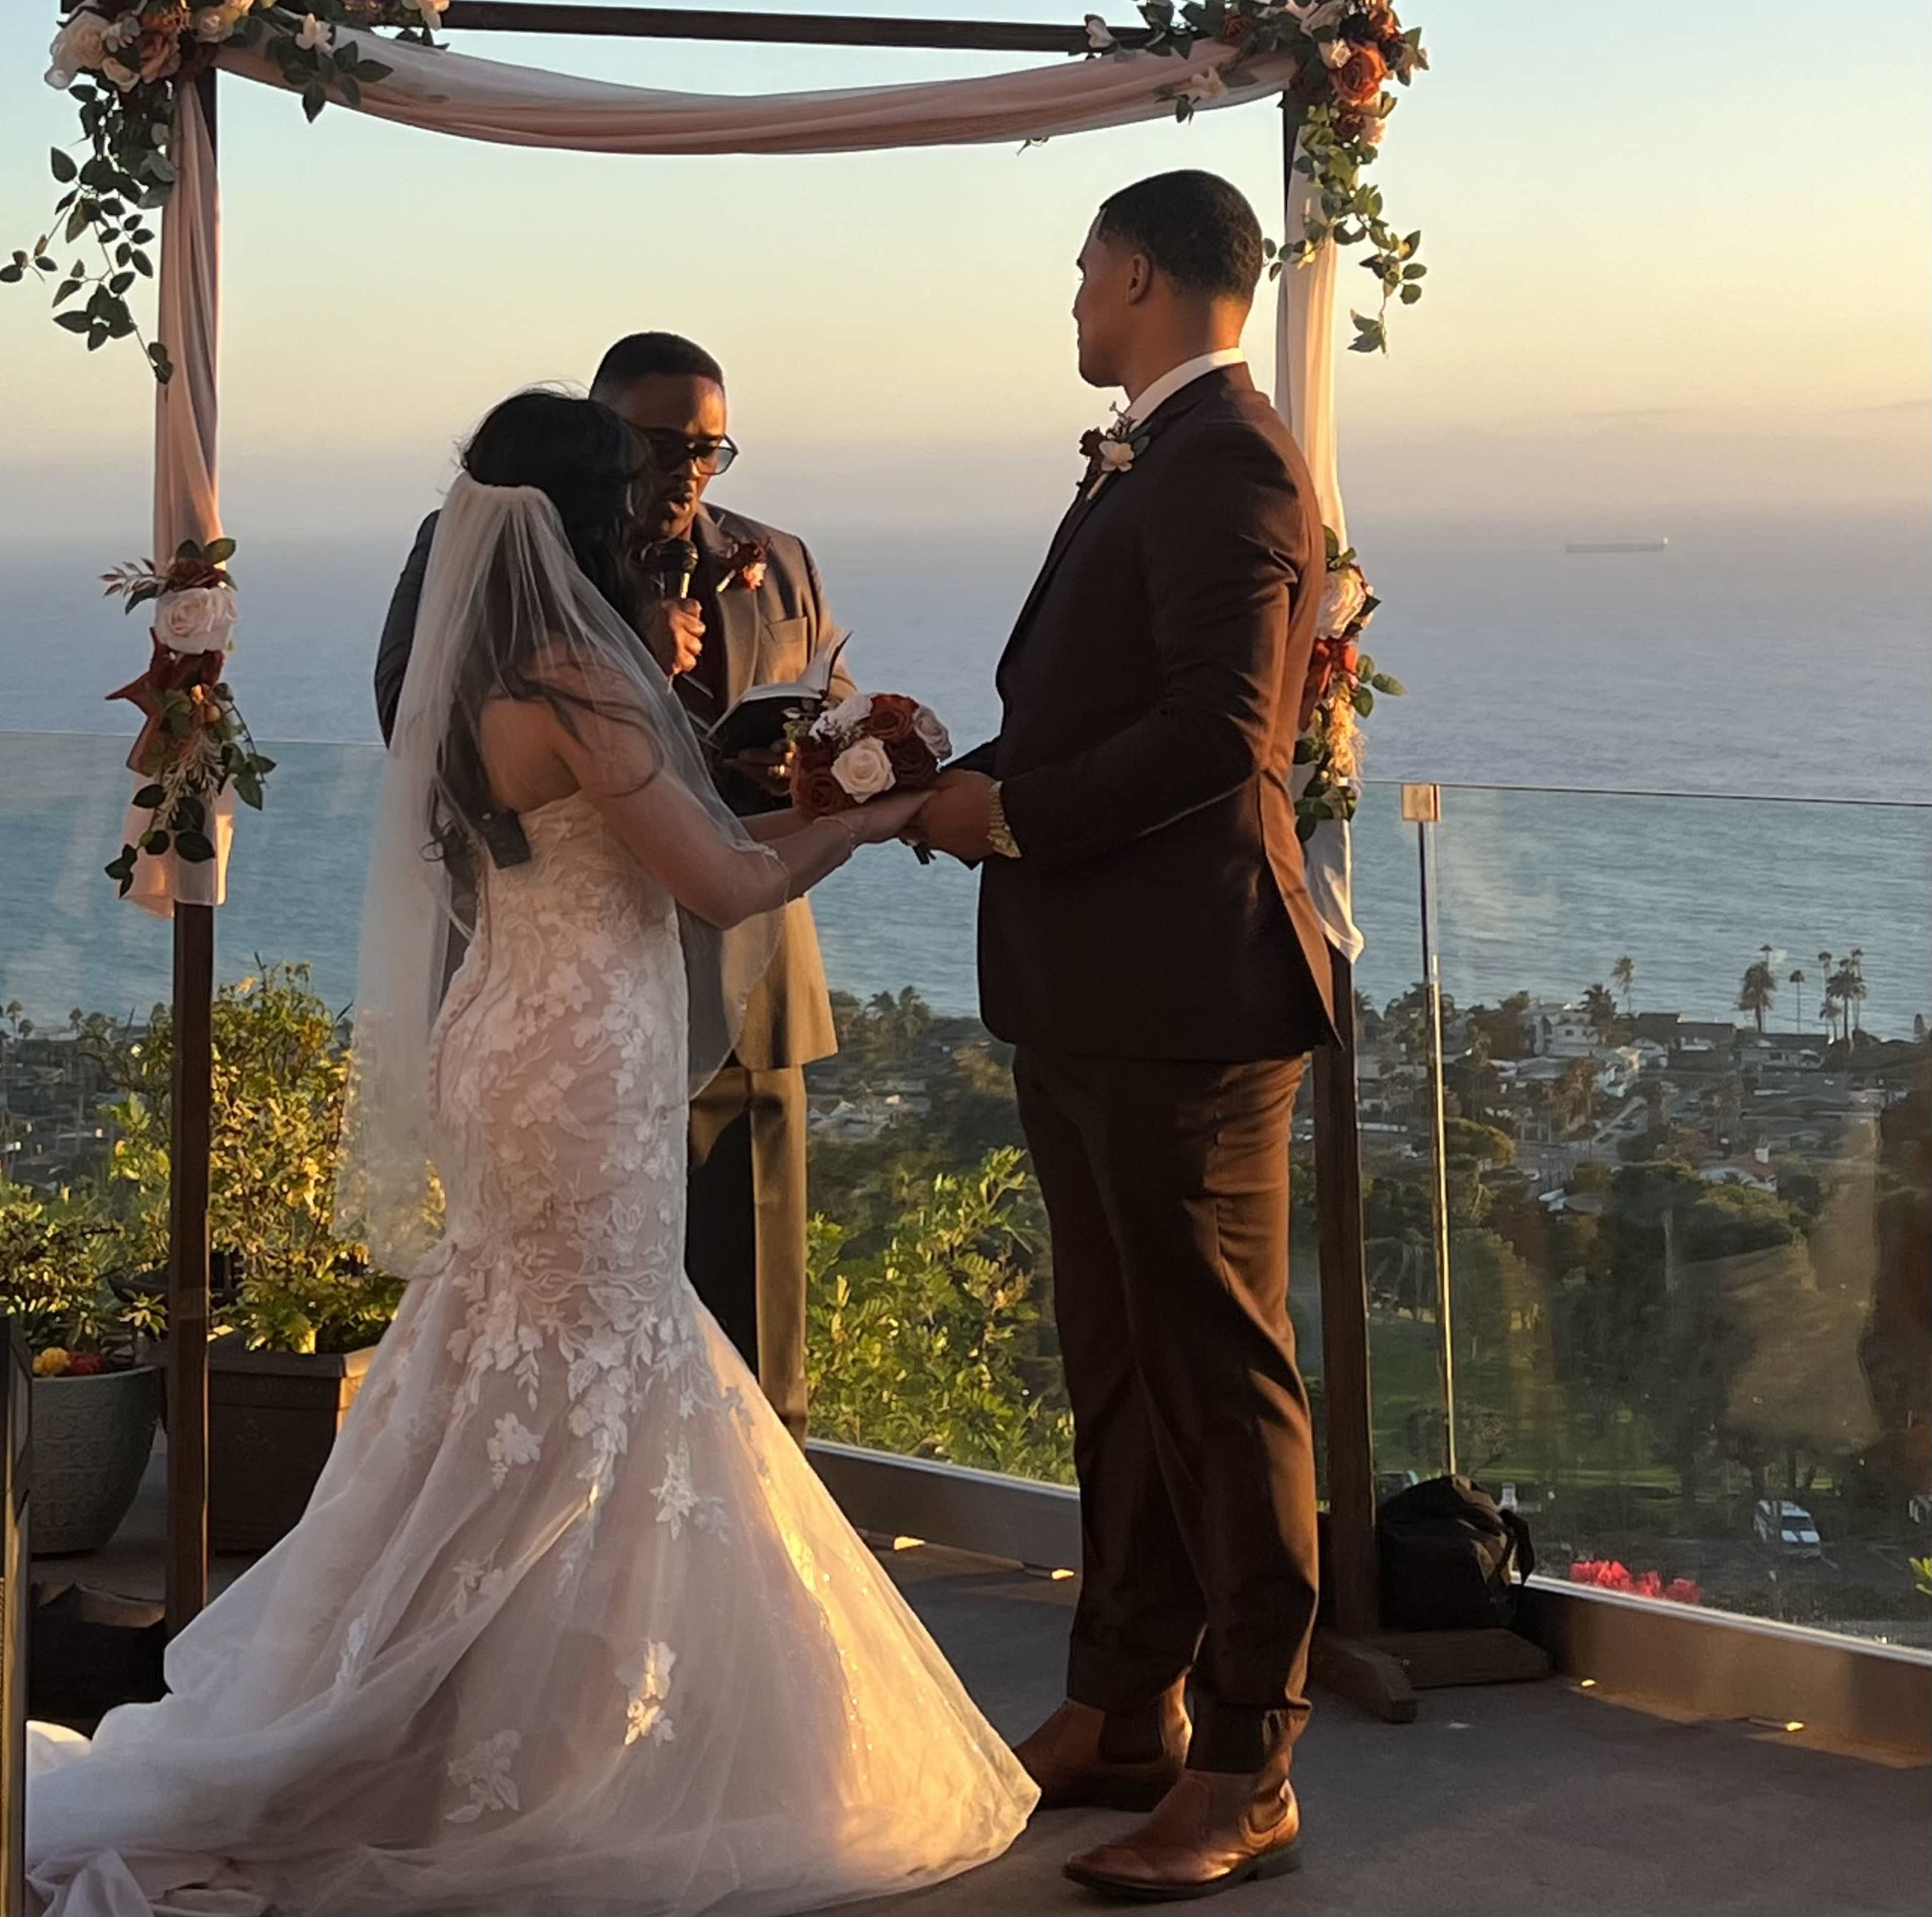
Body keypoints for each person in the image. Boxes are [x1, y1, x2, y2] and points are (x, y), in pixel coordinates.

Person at [29, 390, 1034, 1917]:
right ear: (584, 521)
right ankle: (546, 1748)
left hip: (507, 1025)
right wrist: (880, 811)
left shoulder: (480, 670)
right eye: (639, 495)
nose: (661, 515)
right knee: (596, 1355)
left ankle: (454, 1705)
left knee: (516, 1357)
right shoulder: (584, 673)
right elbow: (723, 877)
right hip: (584, 1052)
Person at [916, 169, 1334, 1904]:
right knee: (1118, 1364)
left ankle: (1249, 1757)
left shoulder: (1225, 456)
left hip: (1187, 1002)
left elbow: (1216, 735)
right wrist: (955, 777)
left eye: (1087, 270)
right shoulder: (1154, 457)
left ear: (1145, 272)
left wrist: (1004, 818)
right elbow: (1103, 701)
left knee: (1220, 1379)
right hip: (1092, 991)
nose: (1074, 299)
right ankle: (1124, 1699)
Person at [376, 333, 847, 1441]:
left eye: (710, 448)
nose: (683, 472)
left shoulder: (777, 559)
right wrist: (629, 660)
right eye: (658, 445)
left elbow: (821, 700)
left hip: (745, 989)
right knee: (571, 1319)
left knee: (746, 1325)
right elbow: (417, 720)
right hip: (571, 1017)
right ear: (603, 438)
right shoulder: (481, 552)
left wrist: (818, 759)